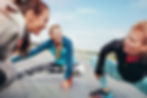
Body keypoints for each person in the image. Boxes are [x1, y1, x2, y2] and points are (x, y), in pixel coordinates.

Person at [90, 21, 147, 98]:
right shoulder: (119, 44)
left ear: (144, 48)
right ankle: (105, 91)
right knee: (94, 59)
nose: (126, 41)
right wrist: (98, 70)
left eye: (132, 40)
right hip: (119, 73)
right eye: (128, 36)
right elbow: (104, 50)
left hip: (139, 81)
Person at [12, 24, 74, 91]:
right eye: (56, 34)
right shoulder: (48, 43)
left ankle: (70, 76)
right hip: (57, 64)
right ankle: (13, 78)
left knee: (75, 71)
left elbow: (69, 61)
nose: (59, 36)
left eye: (60, 33)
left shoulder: (68, 42)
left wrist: (66, 79)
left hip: (69, 65)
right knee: (36, 68)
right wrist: (13, 60)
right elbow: (32, 53)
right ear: (51, 36)